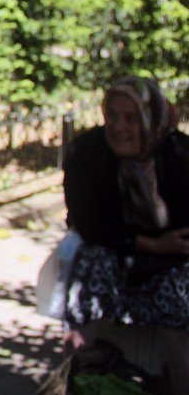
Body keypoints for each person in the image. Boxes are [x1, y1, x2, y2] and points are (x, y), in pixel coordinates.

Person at [62, 76, 189, 391]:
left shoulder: (179, 154)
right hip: (113, 247)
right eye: (112, 116)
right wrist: (150, 244)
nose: (118, 127)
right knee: (90, 268)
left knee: (177, 292)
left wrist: (162, 249)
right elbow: (88, 224)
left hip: (171, 256)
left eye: (131, 118)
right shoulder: (86, 151)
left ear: (152, 118)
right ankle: (77, 372)